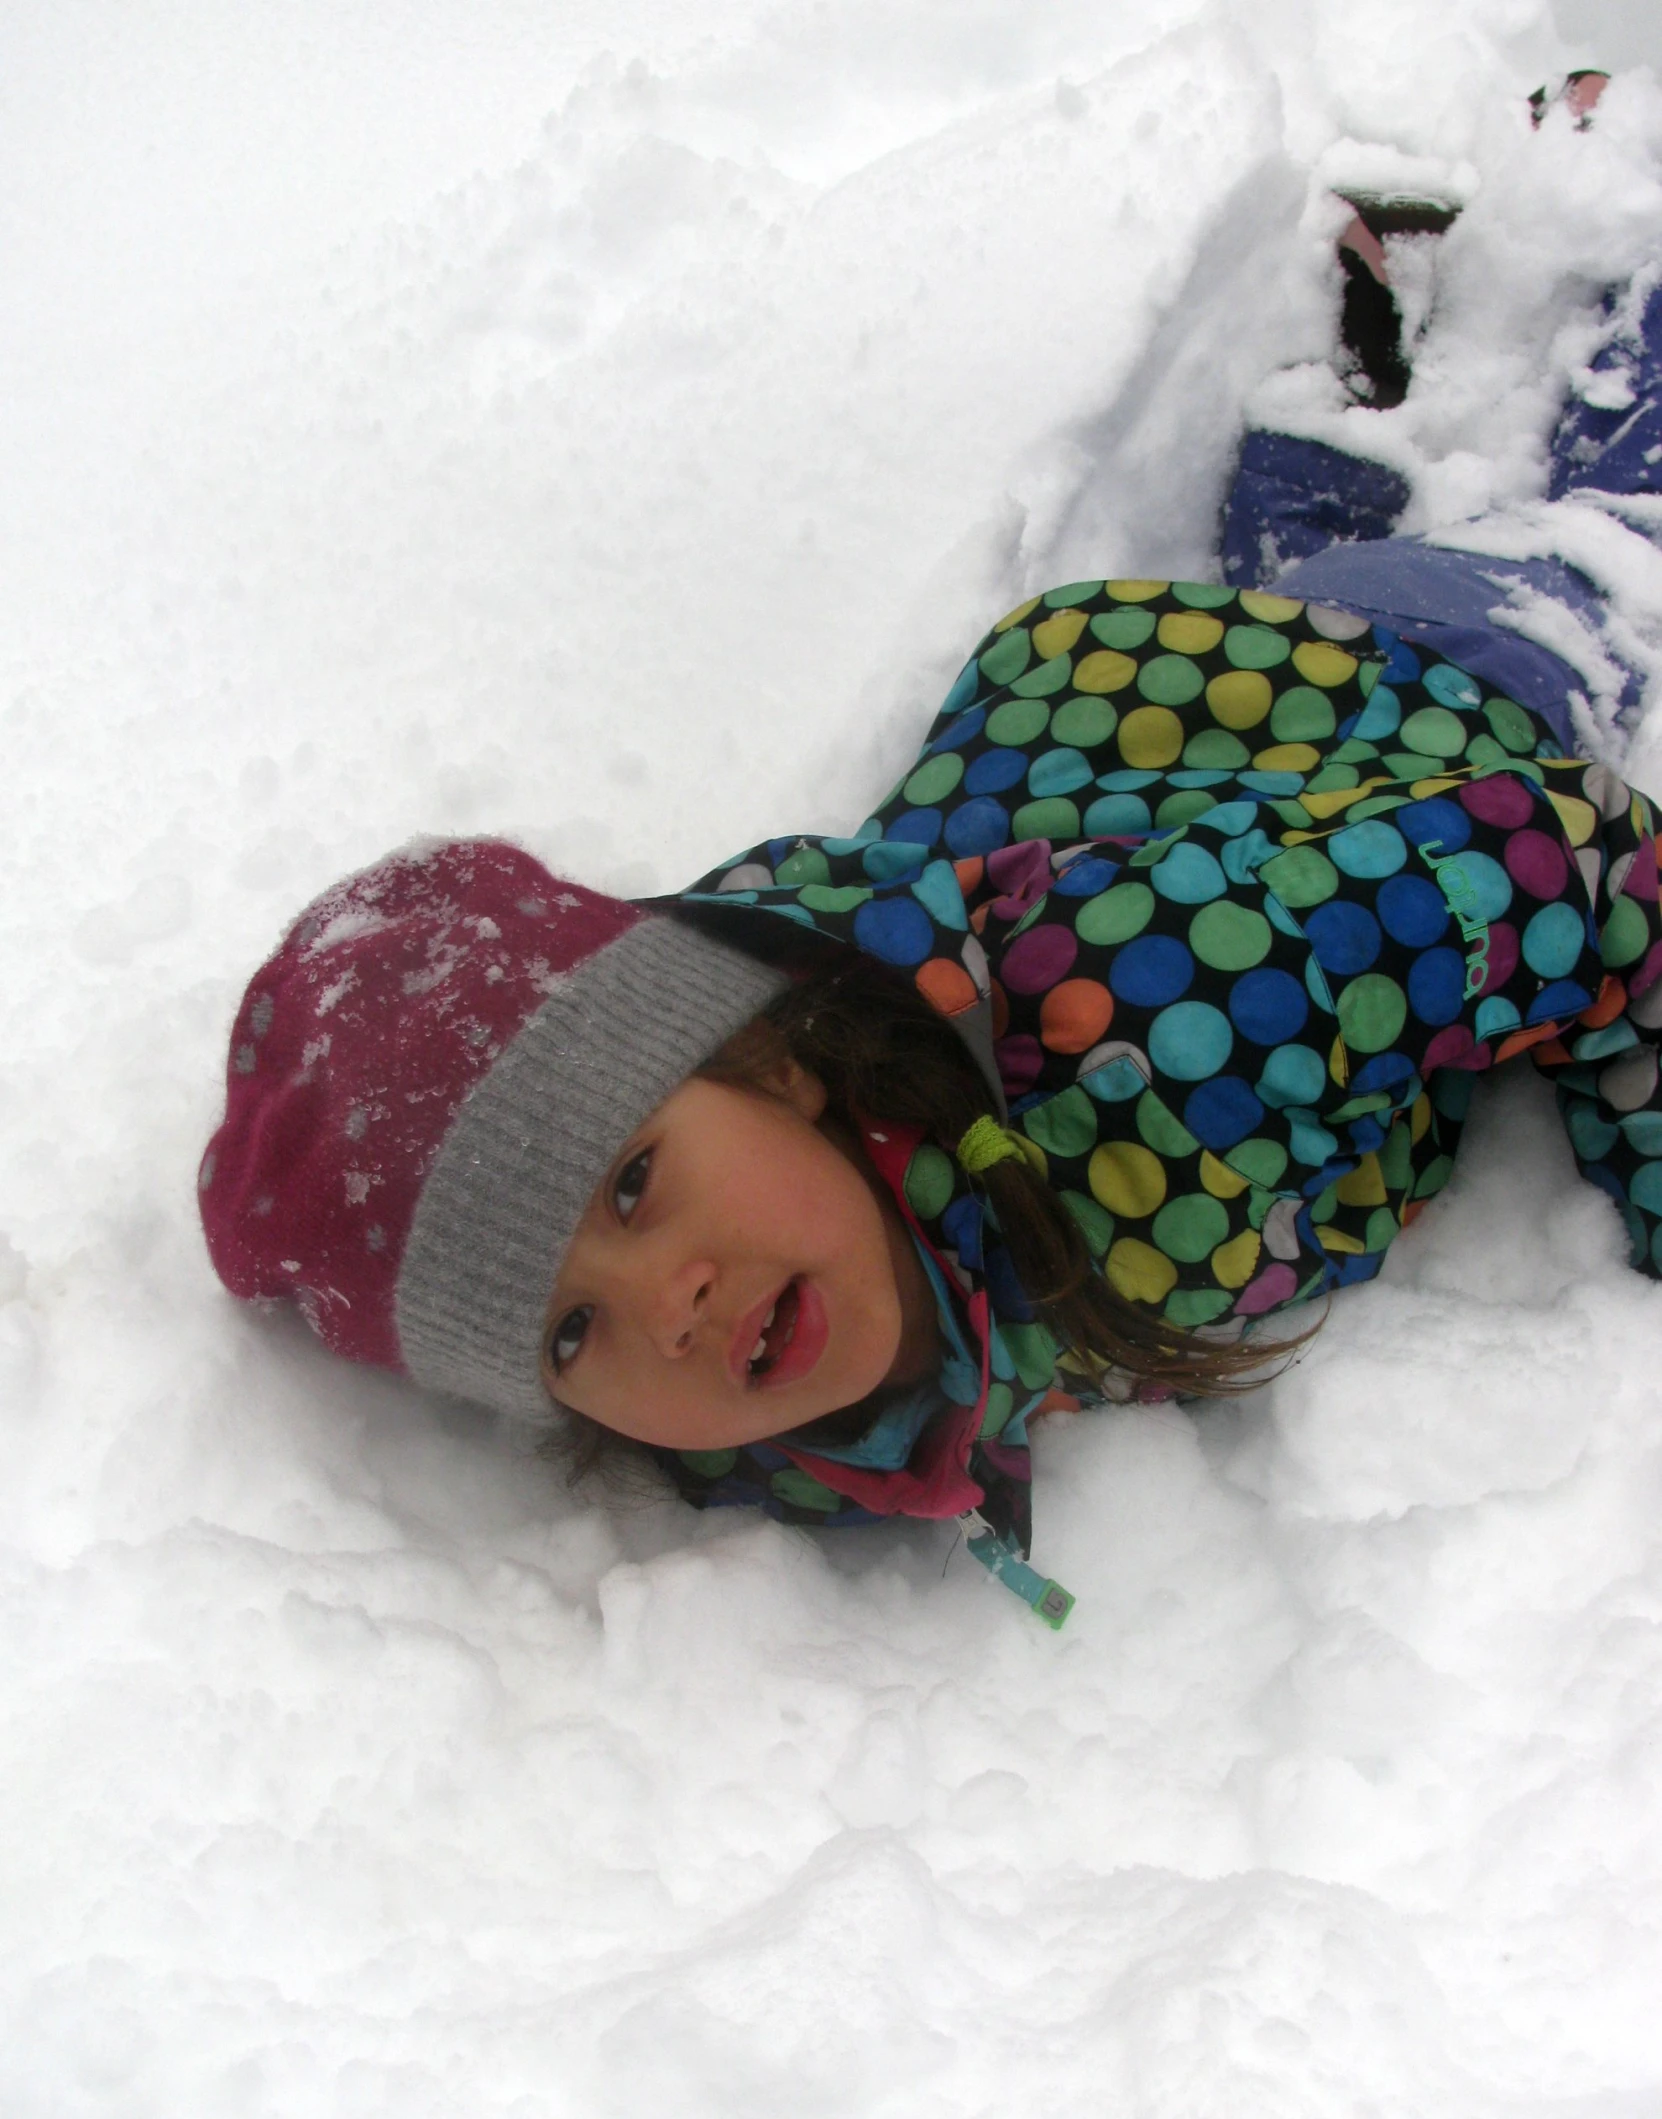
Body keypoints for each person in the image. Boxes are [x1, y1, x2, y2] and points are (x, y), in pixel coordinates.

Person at [198, 113, 1662, 1626]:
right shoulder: (765, 1409)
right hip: (1098, 737)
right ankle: (1332, 397)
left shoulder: (1183, 1017)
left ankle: (1606, 219)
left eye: (633, 1184)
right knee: (1289, 608)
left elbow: (1579, 861)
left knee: (1598, 556)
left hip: (1406, 708)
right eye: (570, 1333)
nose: (669, 1307)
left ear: (764, 1065)